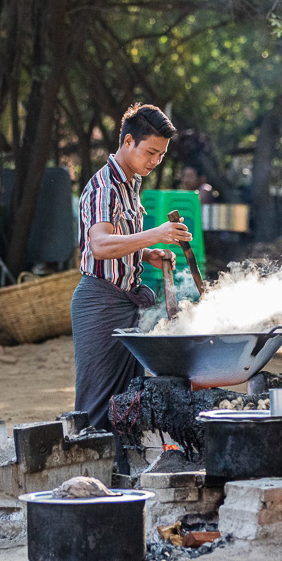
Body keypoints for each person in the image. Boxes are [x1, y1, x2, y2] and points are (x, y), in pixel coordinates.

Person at [71, 103, 192, 472]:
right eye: (150, 152)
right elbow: (101, 245)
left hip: (126, 301)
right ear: (127, 141)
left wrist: (151, 253)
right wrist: (155, 234)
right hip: (100, 302)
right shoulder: (104, 186)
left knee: (127, 402)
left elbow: (123, 241)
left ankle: (122, 480)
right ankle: (87, 487)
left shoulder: (131, 184)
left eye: (161, 154)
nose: (155, 161)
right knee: (96, 404)